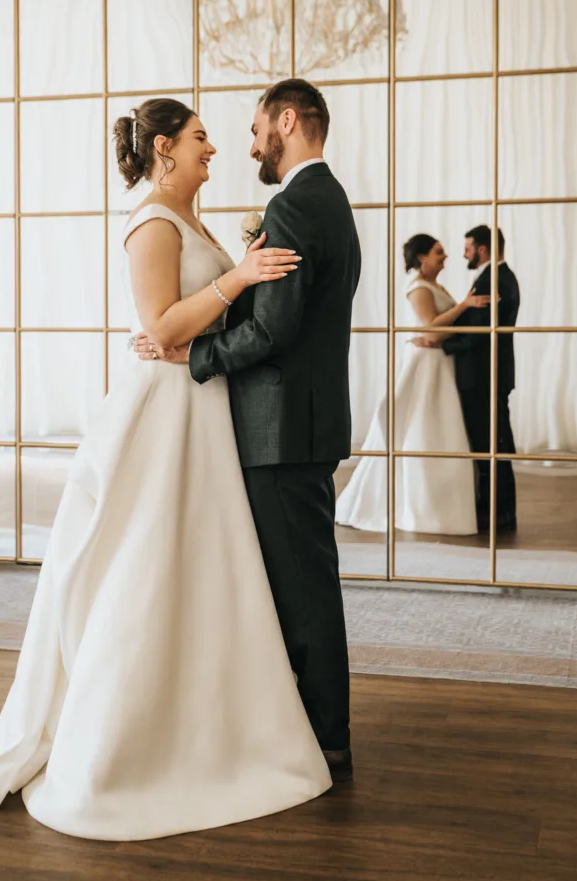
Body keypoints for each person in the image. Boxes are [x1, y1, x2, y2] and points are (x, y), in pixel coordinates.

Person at [0, 97, 333, 842]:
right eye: (200, 138)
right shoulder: (151, 221)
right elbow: (158, 326)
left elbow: (195, 321)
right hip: (164, 407)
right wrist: (240, 278)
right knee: (147, 559)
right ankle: (121, 743)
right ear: (164, 147)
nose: (214, 150)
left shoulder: (191, 220)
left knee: (203, 563)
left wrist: (247, 275)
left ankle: (214, 721)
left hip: (202, 404)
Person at [135, 79, 361, 783]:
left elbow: (273, 327)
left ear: (287, 121)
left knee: (300, 588)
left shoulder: (294, 205)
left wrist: (192, 353)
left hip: (279, 427)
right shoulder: (329, 198)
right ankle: (295, 721)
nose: (247, 143)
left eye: (259, 127)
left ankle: (323, 737)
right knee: (291, 581)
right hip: (300, 422)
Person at [336, 234, 486, 536]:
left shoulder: (435, 286)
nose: (445, 257)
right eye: (438, 252)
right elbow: (431, 328)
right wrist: (465, 306)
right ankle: (420, 508)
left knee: (438, 430)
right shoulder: (418, 288)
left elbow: (439, 331)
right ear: (421, 257)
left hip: (438, 364)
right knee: (421, 431)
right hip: (424, 366)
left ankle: (440, 507)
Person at [441, 225, 520, 533]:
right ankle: (496, 511)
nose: (464, 253)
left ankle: (497, 514)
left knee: (490, 445)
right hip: (488, 375)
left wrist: (441, 344)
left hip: (483, 377)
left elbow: (478, 337)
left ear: (483, 249)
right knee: (493, 443)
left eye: (468, 247)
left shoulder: (494, 279)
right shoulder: (497, 276)